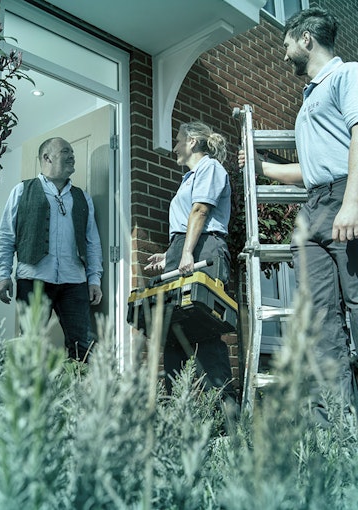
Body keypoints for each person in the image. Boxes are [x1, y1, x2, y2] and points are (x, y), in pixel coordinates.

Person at [239, 8, 358, 422]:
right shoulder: (308, 99)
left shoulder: (347, 75)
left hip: (346, 197)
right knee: (319, 321)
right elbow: (311, 169)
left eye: (286, 44)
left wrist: (352, 202)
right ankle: (337, 430)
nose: (283, 53)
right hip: (315, 207)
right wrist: (263, 168)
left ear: (306, 39)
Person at [146, 121, 235, 400]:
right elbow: (187, 222)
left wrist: (186, 252)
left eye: (177, 140)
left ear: (192, 142)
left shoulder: (210, 167)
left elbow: (200, 211)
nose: (174, 147)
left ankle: (225, 415)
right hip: (186, 248)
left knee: (204, 331)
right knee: (174, 334)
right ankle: (177, 411)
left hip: (204, 249)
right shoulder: (188, 177)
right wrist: (171, 253)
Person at [0, 137, 103, 362]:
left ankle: (80, 385)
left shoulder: (82, 198)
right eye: (65, 151)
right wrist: (3, 274)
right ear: (47, 157)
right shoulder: (22, 190)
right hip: (33, 279)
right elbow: (5, 235)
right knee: (31, 345)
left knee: (82, 347)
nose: (72, 156)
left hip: (74, 282)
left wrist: (94, 279)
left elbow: (92, 242)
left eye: (72, 152)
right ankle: (31, 385)